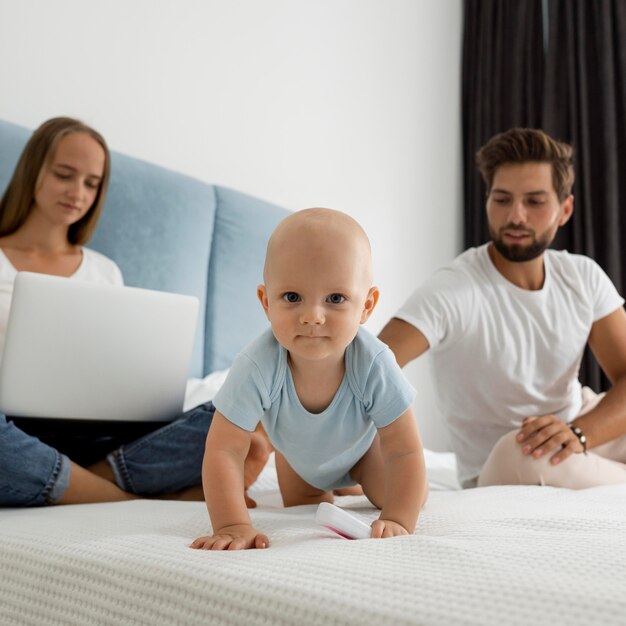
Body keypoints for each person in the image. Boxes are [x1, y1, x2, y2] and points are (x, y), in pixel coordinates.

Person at [0, 117, 270, 507]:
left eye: (92, 184)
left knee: (233, 418)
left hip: (99, 434)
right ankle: (120, 494)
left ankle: (82, 484)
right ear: (33, 171)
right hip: (14, 430)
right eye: (64, 175)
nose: (78, 192)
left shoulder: (104, 271)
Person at [378, 127, 626, 490]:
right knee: (519, 450)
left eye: (535, 201)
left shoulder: (582, 276)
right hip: (510, 460)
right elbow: (369, 367)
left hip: (579, 428)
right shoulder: (454, 289)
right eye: (503, 199)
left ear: (565, 209)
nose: (516, 216)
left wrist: (579, 432)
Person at [191, 208, 428, 551]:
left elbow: (405, 449)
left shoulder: (374, 362)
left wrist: (398, 520)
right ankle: (336, 488)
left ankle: (355, 484)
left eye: (335, 299)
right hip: (298, 462)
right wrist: (232, 524)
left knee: (404, 496)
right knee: (308, 510)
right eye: (292, 297)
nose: (312, 316)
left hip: (365, 453)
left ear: (367, 305)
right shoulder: (256, 365)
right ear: (266, 302)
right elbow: (224, 451)